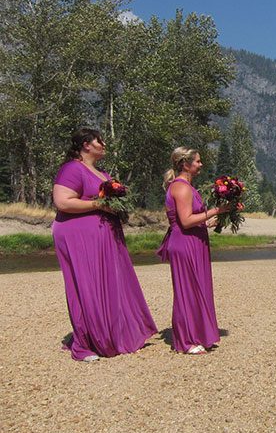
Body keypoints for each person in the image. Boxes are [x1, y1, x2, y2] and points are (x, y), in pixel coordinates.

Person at [52, 128, 157, 362]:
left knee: (109, 283)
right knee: (88, 285)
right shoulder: (72, 168)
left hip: (104, 235)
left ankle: (112, 335)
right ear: (86, 145)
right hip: (78, 235)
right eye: (99, 141)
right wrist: (98, 205)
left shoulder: (102, 172)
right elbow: (62, 202)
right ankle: (86, 344)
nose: (104, 144)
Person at [156, 147, 229, 355]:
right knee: (187, 290)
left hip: (192, 242)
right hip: (185, 244)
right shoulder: (181, 187)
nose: (201, 164)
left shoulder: (186, 186)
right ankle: (186, 340)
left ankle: (198, 334)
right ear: (185, 164)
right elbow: (186, 221)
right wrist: (216, 210)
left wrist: (206, 223)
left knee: (197, 289)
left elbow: (187, 219)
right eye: (197, 161)